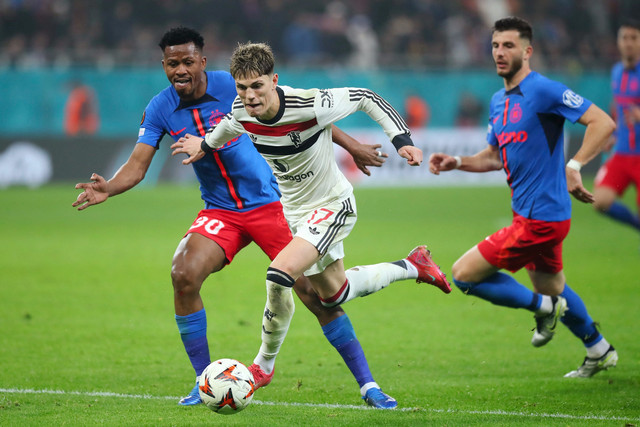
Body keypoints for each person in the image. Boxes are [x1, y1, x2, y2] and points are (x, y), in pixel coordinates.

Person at [71, 27, 406, 409]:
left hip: (272, 204)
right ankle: (204, 384)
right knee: (183, 274)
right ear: (163, 65)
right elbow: (137, 165)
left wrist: (354, 146)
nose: (179, 70)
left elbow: (305, 116)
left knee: (316, 295)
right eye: (171, 63)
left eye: (186, 62)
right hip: (222, 211)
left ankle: (368, 385)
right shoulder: (160, 107)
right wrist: (109, 188)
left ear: (202, 61)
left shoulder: (236, 84)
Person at [172, 41, 451, 400]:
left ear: (274, 80)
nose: (249, 95)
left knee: (278, 274)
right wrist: (205, 146)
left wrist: (401, 140)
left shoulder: (309, 104)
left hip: (334, 205)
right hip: (297, 214)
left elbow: (367, 97)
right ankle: (413, 266)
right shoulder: (242, 109)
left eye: (257, 85)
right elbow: (228, 125)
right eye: (242, 87)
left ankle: (263, 366)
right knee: (336, 293)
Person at [428, 17, 618, 378]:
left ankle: (545, 309)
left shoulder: (545, 91)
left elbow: (603, 122)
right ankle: (599, 348)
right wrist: (456, 162)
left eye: (509, 46)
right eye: (496, 45)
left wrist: (575, 164)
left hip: (540, 218)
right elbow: (493, 157)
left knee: (463, 275)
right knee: (553, 285)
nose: (500, 52)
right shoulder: (498, 101)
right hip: (531, 215)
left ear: (528, 51)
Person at [593, 20, 640, 234]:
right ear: (618, 42)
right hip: (621, 152)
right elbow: (618, 108)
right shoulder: (616, 72)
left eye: (633, 38)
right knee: (600, 201)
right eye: (624, 38)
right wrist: (613, 134)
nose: (628, 43)